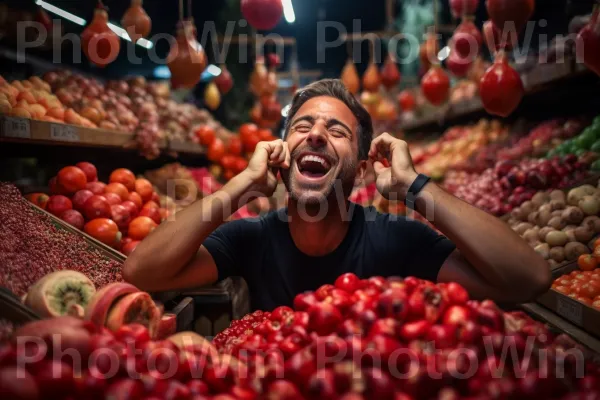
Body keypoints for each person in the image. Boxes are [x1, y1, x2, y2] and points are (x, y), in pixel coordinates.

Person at [123, 79, 551, 311]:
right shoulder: (248, 240)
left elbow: (527, 279)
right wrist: (241, 187)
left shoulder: (399, 241)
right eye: (303, 127)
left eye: (337, 131)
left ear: (362, 169)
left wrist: (416, 189)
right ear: (281, 155)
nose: (317, 136)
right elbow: (144, 273)